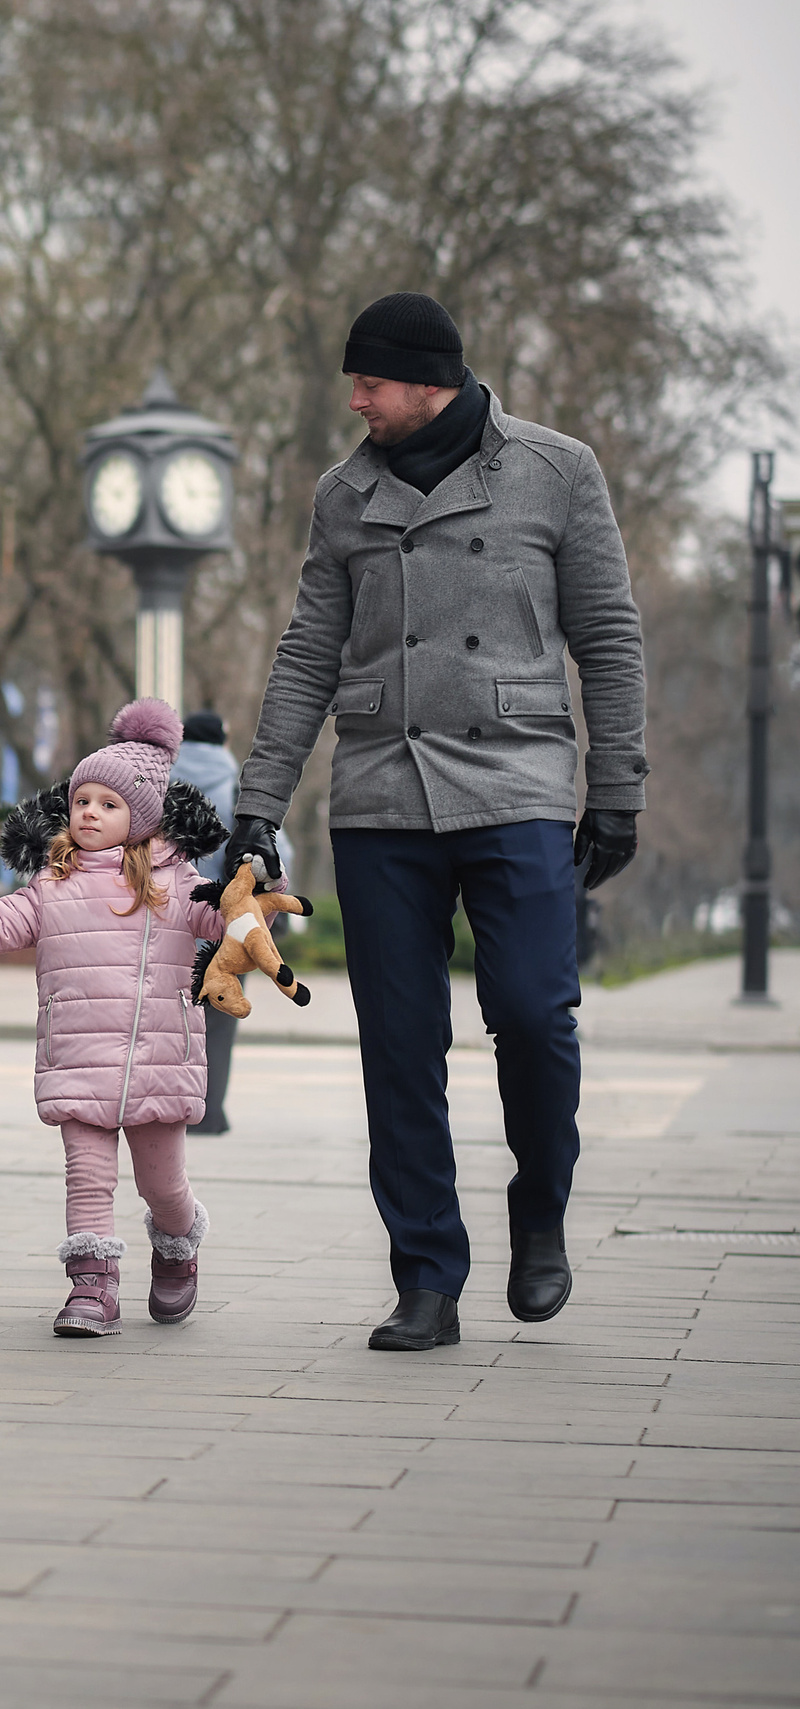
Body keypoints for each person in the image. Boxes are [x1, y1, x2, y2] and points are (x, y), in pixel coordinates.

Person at [224, 292, 647, 1352]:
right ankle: (425, 1274)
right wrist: (256, 808)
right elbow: (306, 652)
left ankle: (540, 1205)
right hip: (379, 796)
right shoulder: (343, 494)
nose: (355, 399)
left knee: (535, 1013)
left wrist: (620, 784)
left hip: (518, 782)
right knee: (398, 1046)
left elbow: (606, 633)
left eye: (370, 382)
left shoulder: (555, 470)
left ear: (429, 381)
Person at [0, 701, 233, 1335]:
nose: (88, 812)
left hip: (158, 1069)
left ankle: (178, 1250)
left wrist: (254, 900)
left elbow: (228, 924)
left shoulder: (178, 886)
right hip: (78, 1063)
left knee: (162, 1186)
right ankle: (92, 1288)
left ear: (140, 818)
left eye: (108, 804)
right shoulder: (51, 885)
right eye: (82, 799)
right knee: (87, 1179)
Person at [168, 710, 290, 1134]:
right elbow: (276, 853)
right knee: (219, 1013)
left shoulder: (159, 785)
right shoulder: (242, 789)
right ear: (221, 738)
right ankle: (209, 1112)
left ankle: (165, 1108)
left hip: (164, 914)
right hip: (228, 919)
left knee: (164, 1012)